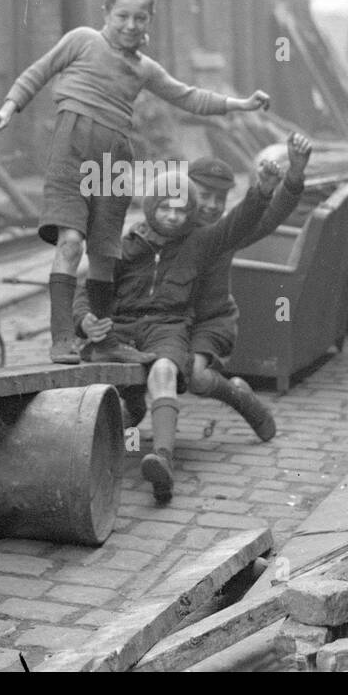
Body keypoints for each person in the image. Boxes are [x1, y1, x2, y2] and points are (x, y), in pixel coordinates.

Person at [0, 0, 272, 365]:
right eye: (122, 16)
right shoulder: (81, 40)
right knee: (70, 242)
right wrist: (7, 109)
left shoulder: (144, 68)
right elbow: (37, 73)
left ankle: (104, 340)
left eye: (141, 18)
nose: (131, 25)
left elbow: (188, 97)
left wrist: (240, 104)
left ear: (149, 21)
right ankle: (63, 338)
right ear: (106, 12)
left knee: (105, 251)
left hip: (115, 156)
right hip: (73, 146)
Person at [73, 164, 279, 503]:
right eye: (165, 208)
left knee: (166, 370)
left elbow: (236, 224)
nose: (172, 216)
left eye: (181, 211)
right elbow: (88, 289)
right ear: (152, 207)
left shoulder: (199, 242)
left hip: (168, 327)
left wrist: (262, 191)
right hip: (123, 328)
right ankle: (106, 431)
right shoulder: (126, 246)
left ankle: (163, 459)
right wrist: (85, 321)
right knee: (112, 390)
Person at [177, 132, 314, 440]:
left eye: (220, 199)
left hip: (209, 323)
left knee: (195, 378)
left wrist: (294, 173)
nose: (212, 206)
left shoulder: (226, 233)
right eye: (204, 195)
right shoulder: (168, 224)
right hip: (168, 320)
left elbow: (271, 216)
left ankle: (241, 398)